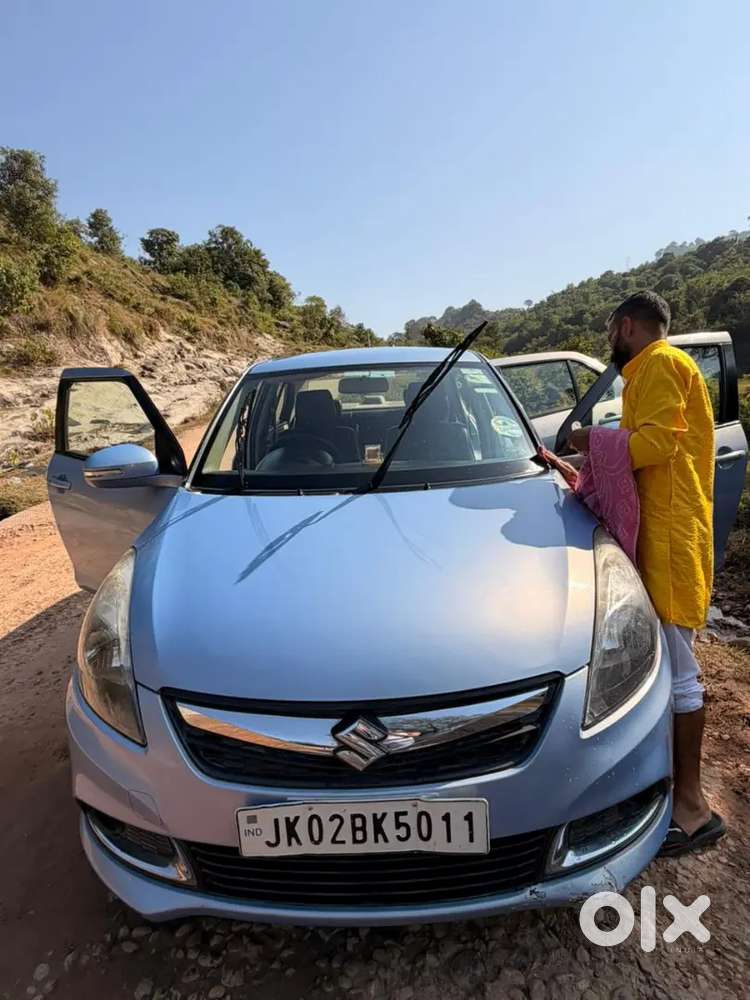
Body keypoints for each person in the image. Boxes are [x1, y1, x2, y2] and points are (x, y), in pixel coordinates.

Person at [569, 290, 725, 856]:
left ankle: (693, 808)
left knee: (681, 671)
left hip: (671, 537)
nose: (610, 338)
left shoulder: (659, 363)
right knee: (667, 662)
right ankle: (673, 793)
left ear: (627, 325)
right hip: (664, 533)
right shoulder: (654, 370)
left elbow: (657, 444)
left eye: (612, 328)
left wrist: (593, 440)